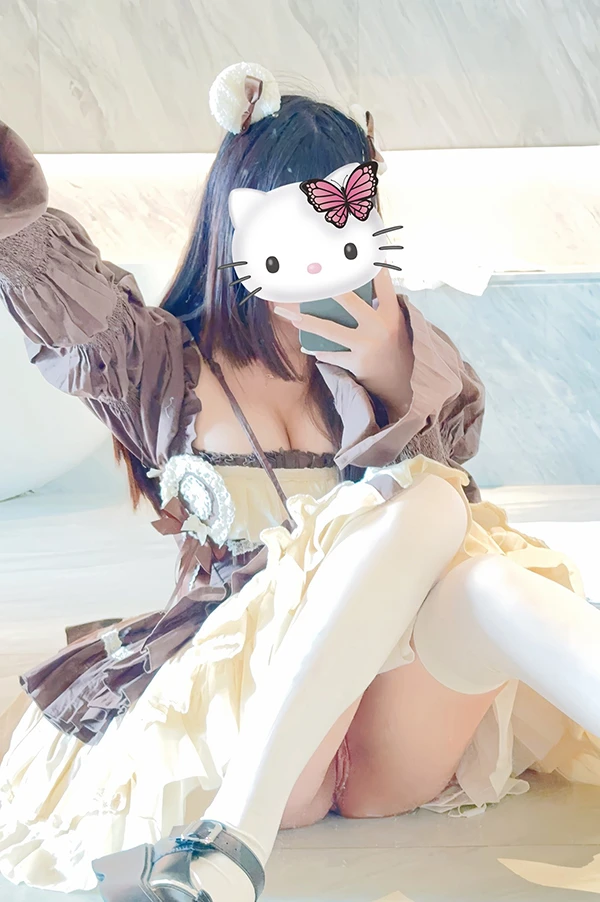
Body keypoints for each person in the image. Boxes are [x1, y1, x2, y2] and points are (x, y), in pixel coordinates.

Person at [1, 63, 600, 902]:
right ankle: (234, 836)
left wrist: (390, 371)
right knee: (427, 501)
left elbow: (452, 458)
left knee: (463, 539)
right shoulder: (162, 363)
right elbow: (62, 297)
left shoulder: (388, 349)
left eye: (350, 216)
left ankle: (229, 852)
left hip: (388, 738)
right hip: (258, 721)